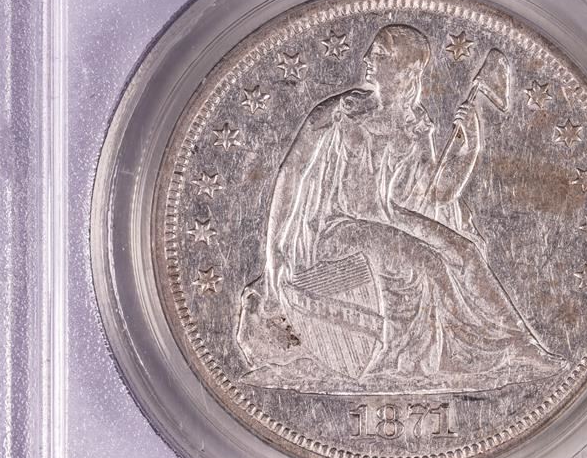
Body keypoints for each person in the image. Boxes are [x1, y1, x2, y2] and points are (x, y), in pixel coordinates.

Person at [237, 24, 562, 390]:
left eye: (380, 55)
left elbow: (437, 195)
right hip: (340, 228)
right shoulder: (340, 112)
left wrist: (468, 148)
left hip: (391, 218)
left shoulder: (415, 126)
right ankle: (478, 353)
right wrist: (275, 255)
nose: (366, 59)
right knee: (430, 262)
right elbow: (290, 174)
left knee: (466, 252)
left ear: (406, 69)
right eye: (371, 53)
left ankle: (521, 345)